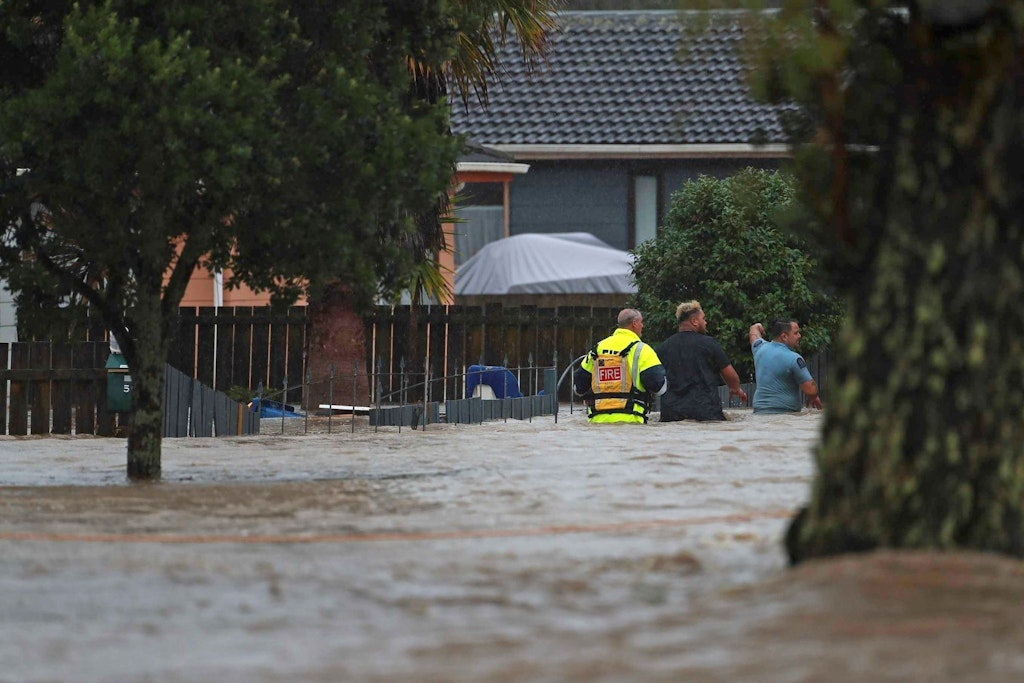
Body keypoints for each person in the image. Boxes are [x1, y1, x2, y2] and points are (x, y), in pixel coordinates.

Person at [573, 308, 667, 424]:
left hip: (597, 423)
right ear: (634, 323)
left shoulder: (597, 349)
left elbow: (578, 388)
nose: (642, 326)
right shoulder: (642, 350)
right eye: (641, 322)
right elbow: (660, 387)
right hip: (632, 421)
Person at [657, 301, 746, 422]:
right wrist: (735, 388)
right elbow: (731, 376)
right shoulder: (709, 344)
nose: (705, 322)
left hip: (671, 414)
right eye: (703, 319)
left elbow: (656, 378)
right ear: (694, 321)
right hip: (705, 412)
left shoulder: (664, 347)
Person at [749, 318, 822, 413]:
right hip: (786, 415)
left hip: (759, 414)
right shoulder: (794, 359)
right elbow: (811, 390)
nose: (799, 336)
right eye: (796, 333)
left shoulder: (759, 348)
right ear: (784, 336)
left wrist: (757, 326)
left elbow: (753, 333)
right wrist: (814, 395)